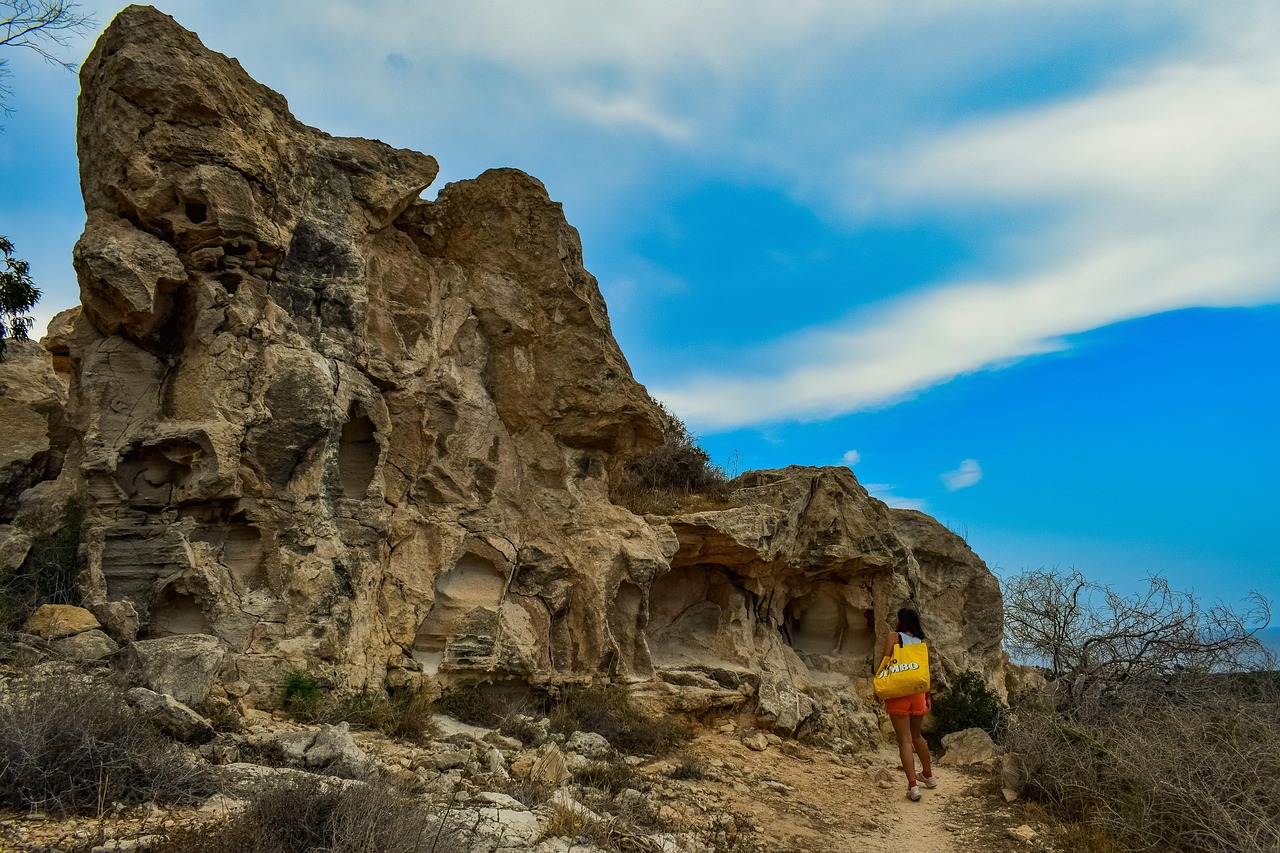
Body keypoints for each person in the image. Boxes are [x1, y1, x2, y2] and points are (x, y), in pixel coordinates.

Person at [878, 607, 936, 801]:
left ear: (900, 621)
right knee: (918, 736)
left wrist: (878, 685)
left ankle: (913, 787)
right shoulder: (921, 642)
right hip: (918, 693)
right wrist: (927, 696)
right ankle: (928, 775)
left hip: (898, 693)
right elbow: (924, 671)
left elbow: (885, 661)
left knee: (905, 740)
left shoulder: (895, 637)